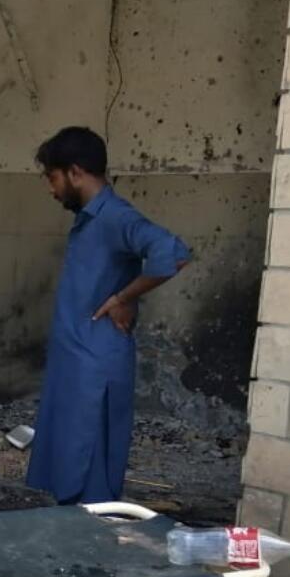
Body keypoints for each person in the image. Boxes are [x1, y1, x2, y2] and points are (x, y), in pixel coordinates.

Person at [26, 126, 190, 505]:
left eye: (53, 178)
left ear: (75, 172)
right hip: (76, 359)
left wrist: (124, 296)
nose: (51, 190)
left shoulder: (115, 216)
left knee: (91, 472)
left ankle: (91, 555)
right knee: (67, 462)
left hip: (95, 365)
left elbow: (174, 253)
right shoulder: (89, 218)